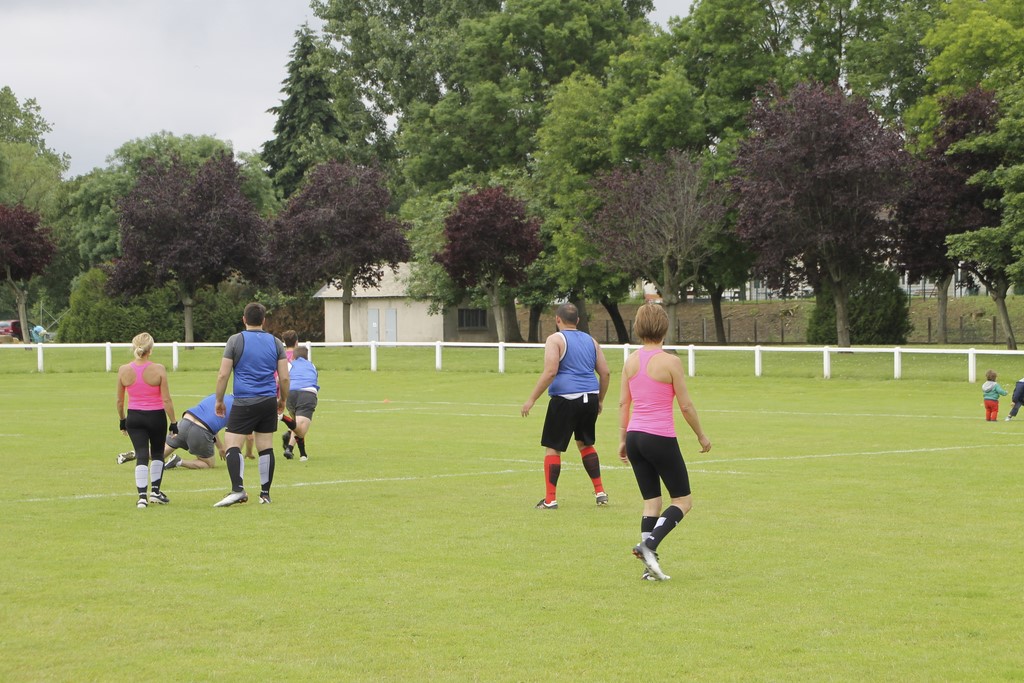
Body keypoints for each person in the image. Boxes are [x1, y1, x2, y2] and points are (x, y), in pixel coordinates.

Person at [618, 303, 711, 581]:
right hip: (659, 436)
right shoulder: (670, 362)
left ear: (637, 328)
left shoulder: (630, 361)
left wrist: (622, 438)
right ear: (665, 328)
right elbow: (686, 406)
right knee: (682, 501)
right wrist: (701, 435)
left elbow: (623, 403)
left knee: (651, 503)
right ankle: (649, 545)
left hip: (635, 437)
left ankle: (649, 568)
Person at [521, 302, 610, 509]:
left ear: (557, 319)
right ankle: (600, 492)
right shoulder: (591, 341)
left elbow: (550, 371)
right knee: (585, 444)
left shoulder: (555, 339)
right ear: (577, 320)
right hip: (590, 397)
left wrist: (531, 399)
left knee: (553, 448)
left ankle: (550, 500)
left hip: (565, 399)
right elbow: (605, 373)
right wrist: (600, 399)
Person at [213, 302, 289, 506]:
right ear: (264, 320)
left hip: (244, 401)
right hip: (268, 401)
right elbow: (284, 378)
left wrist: (219, 400)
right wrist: (282, 399)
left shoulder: (235, 340)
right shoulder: (276, 342)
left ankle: (238, 489)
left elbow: (223, 375)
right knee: (265, 447)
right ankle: (265, 494)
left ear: (244, 319)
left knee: (232, 443)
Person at [115, 332, 177, 508]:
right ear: (150, 350)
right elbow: (166, 400)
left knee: (141, 454)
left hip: (134, 417)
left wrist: (122, 420)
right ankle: (155, 492)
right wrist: (173, 422)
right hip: (156, 416)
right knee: (157, 453)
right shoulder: (159, 369)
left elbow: (119, 401)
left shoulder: (123, 370)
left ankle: (142, 497)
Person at [163, 394, 235, 469]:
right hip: (201, 430)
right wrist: (221, 448)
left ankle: (154, 458)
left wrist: (220, 448)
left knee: (158, 455)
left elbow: (211, 421)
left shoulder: (217, 395)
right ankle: (178, 461)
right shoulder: (238, 408)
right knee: (208, 464)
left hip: (184, 422)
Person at [280, 345, 319, 461]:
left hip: (291, 394)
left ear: (293, 356)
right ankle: (283, 418)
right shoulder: (312, 366)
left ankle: (295, 451)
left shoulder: (289, 364)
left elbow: (280, 379)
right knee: (300, 429)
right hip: (307, 394)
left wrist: (281, 397)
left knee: (297, 426)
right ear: (307, 357)